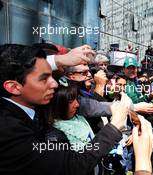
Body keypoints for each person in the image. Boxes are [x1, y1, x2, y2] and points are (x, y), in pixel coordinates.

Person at [0, 44, 131, 175]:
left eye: (52, 76)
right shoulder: (8, 131)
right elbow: (73, 166)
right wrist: (114, 127)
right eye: (44, 78)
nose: (55, 84)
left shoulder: (22, 103)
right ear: (13, 87)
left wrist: (59, 60)